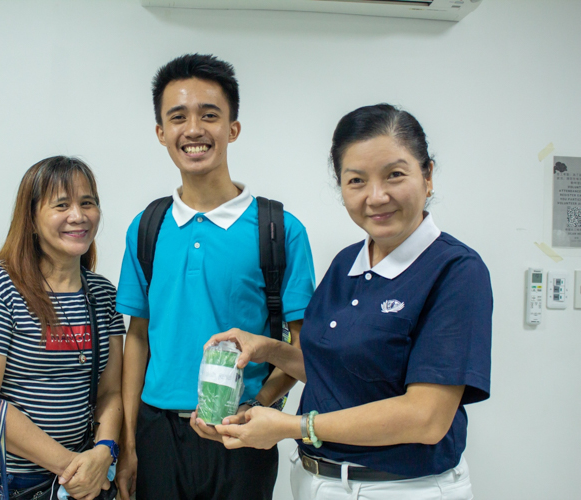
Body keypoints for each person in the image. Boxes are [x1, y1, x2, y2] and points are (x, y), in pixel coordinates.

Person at [207, 104, 492, 500]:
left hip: (401, 488)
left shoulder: (456, 271)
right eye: (356, 180)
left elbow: (426, 417)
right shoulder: (347, 263)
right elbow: (334, 370)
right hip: (316, 481)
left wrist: (294, 427)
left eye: (395, 174)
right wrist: (267, 348)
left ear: (427, 176)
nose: (376, 197)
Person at [114, 54, 316, 500]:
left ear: (233, 128)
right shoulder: (146, 227)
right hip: (158, 431)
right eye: (178, 117)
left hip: (241, 431)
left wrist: (258, 408)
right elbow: (138, 339)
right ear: (161, 133)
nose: (194, 129)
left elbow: (303, 352)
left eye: (210, 115)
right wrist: (128, 444)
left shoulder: (280, 230)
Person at [0, 156, 124, 500]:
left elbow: (110, 392)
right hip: (1, 481)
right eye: (62, 205)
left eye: (88, 203)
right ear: (30, 219)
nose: (78, 215)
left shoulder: (103, 295)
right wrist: (71, 466)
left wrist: (104, 452)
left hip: (75, 481)